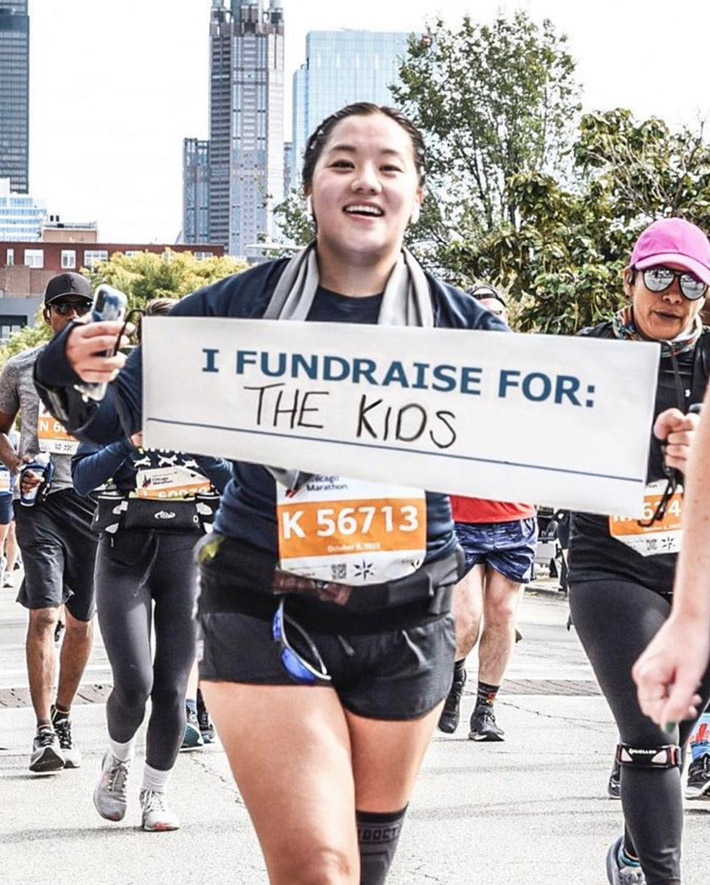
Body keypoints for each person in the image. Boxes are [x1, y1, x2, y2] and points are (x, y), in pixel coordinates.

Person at [34, 103, 506, 884]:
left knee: (367, 859)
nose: (366, 178)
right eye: (343, 161)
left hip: (405, 617)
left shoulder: (462, 328)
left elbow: (562, 450)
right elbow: (100, 421)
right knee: (320, 868)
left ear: (415, 194)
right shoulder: (238, 307)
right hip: (264, 603)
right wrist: (63, 362)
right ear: (311, 186)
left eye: (390, 165)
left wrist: (660, 443)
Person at [567, 217, 710, 885]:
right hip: (610, 564)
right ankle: (658, 875)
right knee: (652, 731)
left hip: (696, 573)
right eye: (659, 275)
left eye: (690, 282)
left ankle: (632, 842)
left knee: (678, 722)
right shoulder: (585, 356)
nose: (672, 292)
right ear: (629, 280)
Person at [71, 297, 232, 831]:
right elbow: (81, 478)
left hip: (184, 550)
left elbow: (234, 478)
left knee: (171, 686)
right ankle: (116, 761)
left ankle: (156, 795)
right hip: (123, 552)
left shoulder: (210, 398)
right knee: (135, 681)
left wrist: (198, 445)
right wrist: (128, 441)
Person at [0, 271, 98, 773]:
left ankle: (63, 718)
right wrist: (19, 467)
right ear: (47, 314)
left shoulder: (109, 368)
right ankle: (41, 733)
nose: (73, 315)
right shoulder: (20, 367)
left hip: (90, 504)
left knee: (81, 622)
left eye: (82, 306)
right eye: (63, 307)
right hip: (38, 504)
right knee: (44, 615)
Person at [438, 284, 538, 741]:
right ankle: (454, 679)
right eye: (478, 312)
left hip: (515, 516)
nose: (488, 319)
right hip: (459, 517)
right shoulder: (446, 373)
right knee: (465, 618)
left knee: (503, 614)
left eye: (496, 313)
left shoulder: (526, 378)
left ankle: (486, 710)